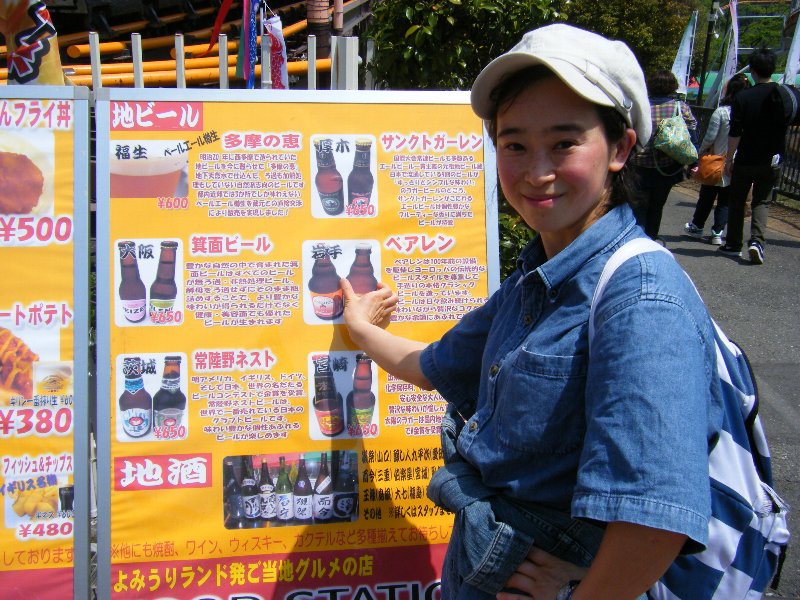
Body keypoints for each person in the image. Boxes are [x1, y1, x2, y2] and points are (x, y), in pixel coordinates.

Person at [341, 24, 722, 600]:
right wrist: (361, 329)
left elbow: (654, 519)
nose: (536, 172)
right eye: (514, 145)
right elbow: (433, 365)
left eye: (564, 143)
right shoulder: (539, 275)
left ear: (620, 149)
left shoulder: (640, 298)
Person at [719, 47, 788, 264]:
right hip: (773, 158)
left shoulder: (743, 97)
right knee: (762, 201)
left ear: (753, 71)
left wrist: (729, 158)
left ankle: (733, 244)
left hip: (746, 157)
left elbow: (735, 132)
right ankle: (757, 242)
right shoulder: (783, 95)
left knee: (737, 200)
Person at [629, 70, 698, 243]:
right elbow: (690, 136)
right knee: (657, 206)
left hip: (639, 163)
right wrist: (693, 162)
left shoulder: (640, 107)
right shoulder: (680, 108)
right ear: (672, 86)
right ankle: (650, 240)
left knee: (638, 206)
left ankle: (636, 240)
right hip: (666, 166)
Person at [684, 74, 751, 245]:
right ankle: (717, 232)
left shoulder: (722, 112)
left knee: (707, 195)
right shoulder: (749, 113)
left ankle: (697, 226)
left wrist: (700, 153)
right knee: (725, 200)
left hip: (716, 160)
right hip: (737, 162)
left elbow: (710, 137)